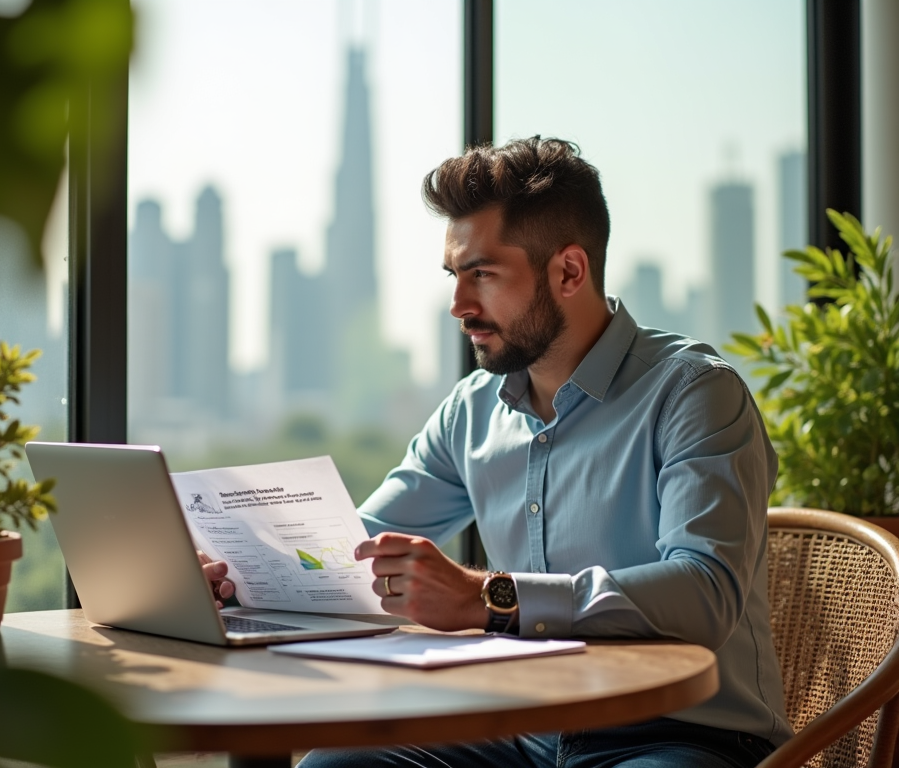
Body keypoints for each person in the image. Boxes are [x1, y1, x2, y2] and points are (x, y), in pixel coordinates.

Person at [202, 137, 791, 767]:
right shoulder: (470, 410)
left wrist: (487, 597)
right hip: (522, 730)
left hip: (681, 733)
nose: (459, 306)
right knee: (333, 765)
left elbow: (706, 593)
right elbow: (357, 548)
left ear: (569, 271)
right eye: (455, 276)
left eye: (482, 274)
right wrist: (240, 572)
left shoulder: (694, 394)